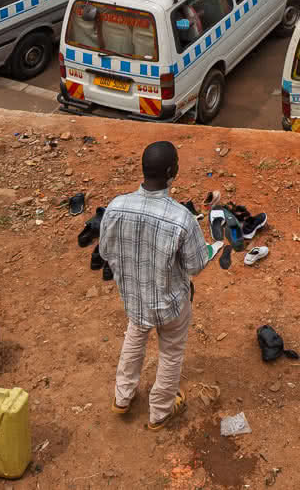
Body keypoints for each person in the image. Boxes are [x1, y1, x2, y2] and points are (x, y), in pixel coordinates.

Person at [98, 141, 216, 430]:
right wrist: (216, 246)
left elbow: (105, 251)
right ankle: (160, 412)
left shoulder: (116, 207)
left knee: (135, 337)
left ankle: (122, 397)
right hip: (171, 303)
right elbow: (195, 265)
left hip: (134, 298)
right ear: (171, 172)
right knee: (171, 352)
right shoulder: (182, 218)